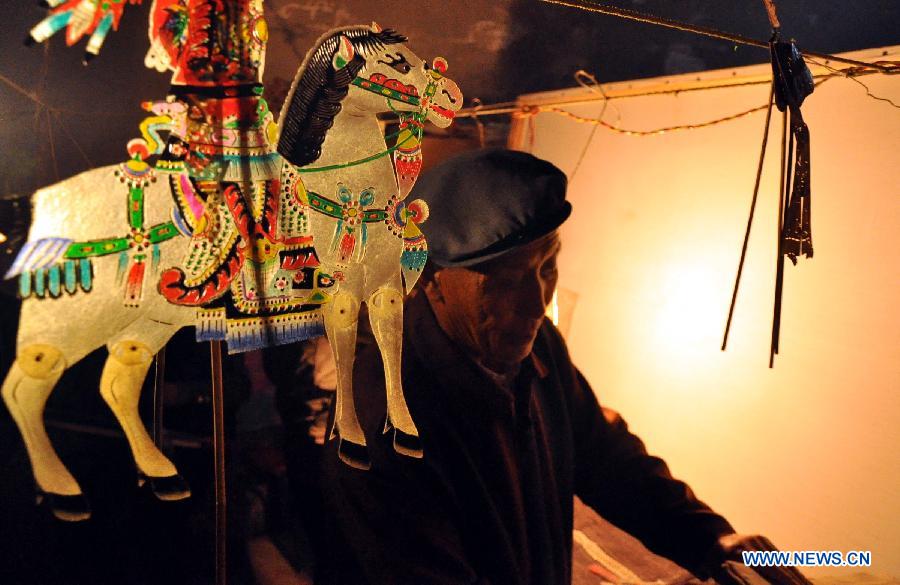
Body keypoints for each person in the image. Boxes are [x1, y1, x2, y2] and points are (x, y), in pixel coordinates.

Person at [316, 148, 811, 585]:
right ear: (433, 280)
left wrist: (710, 540)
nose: (537, 303)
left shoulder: (536, 347)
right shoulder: (379, 423)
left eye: (546, 266)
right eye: (506, 280)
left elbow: (602, 455)